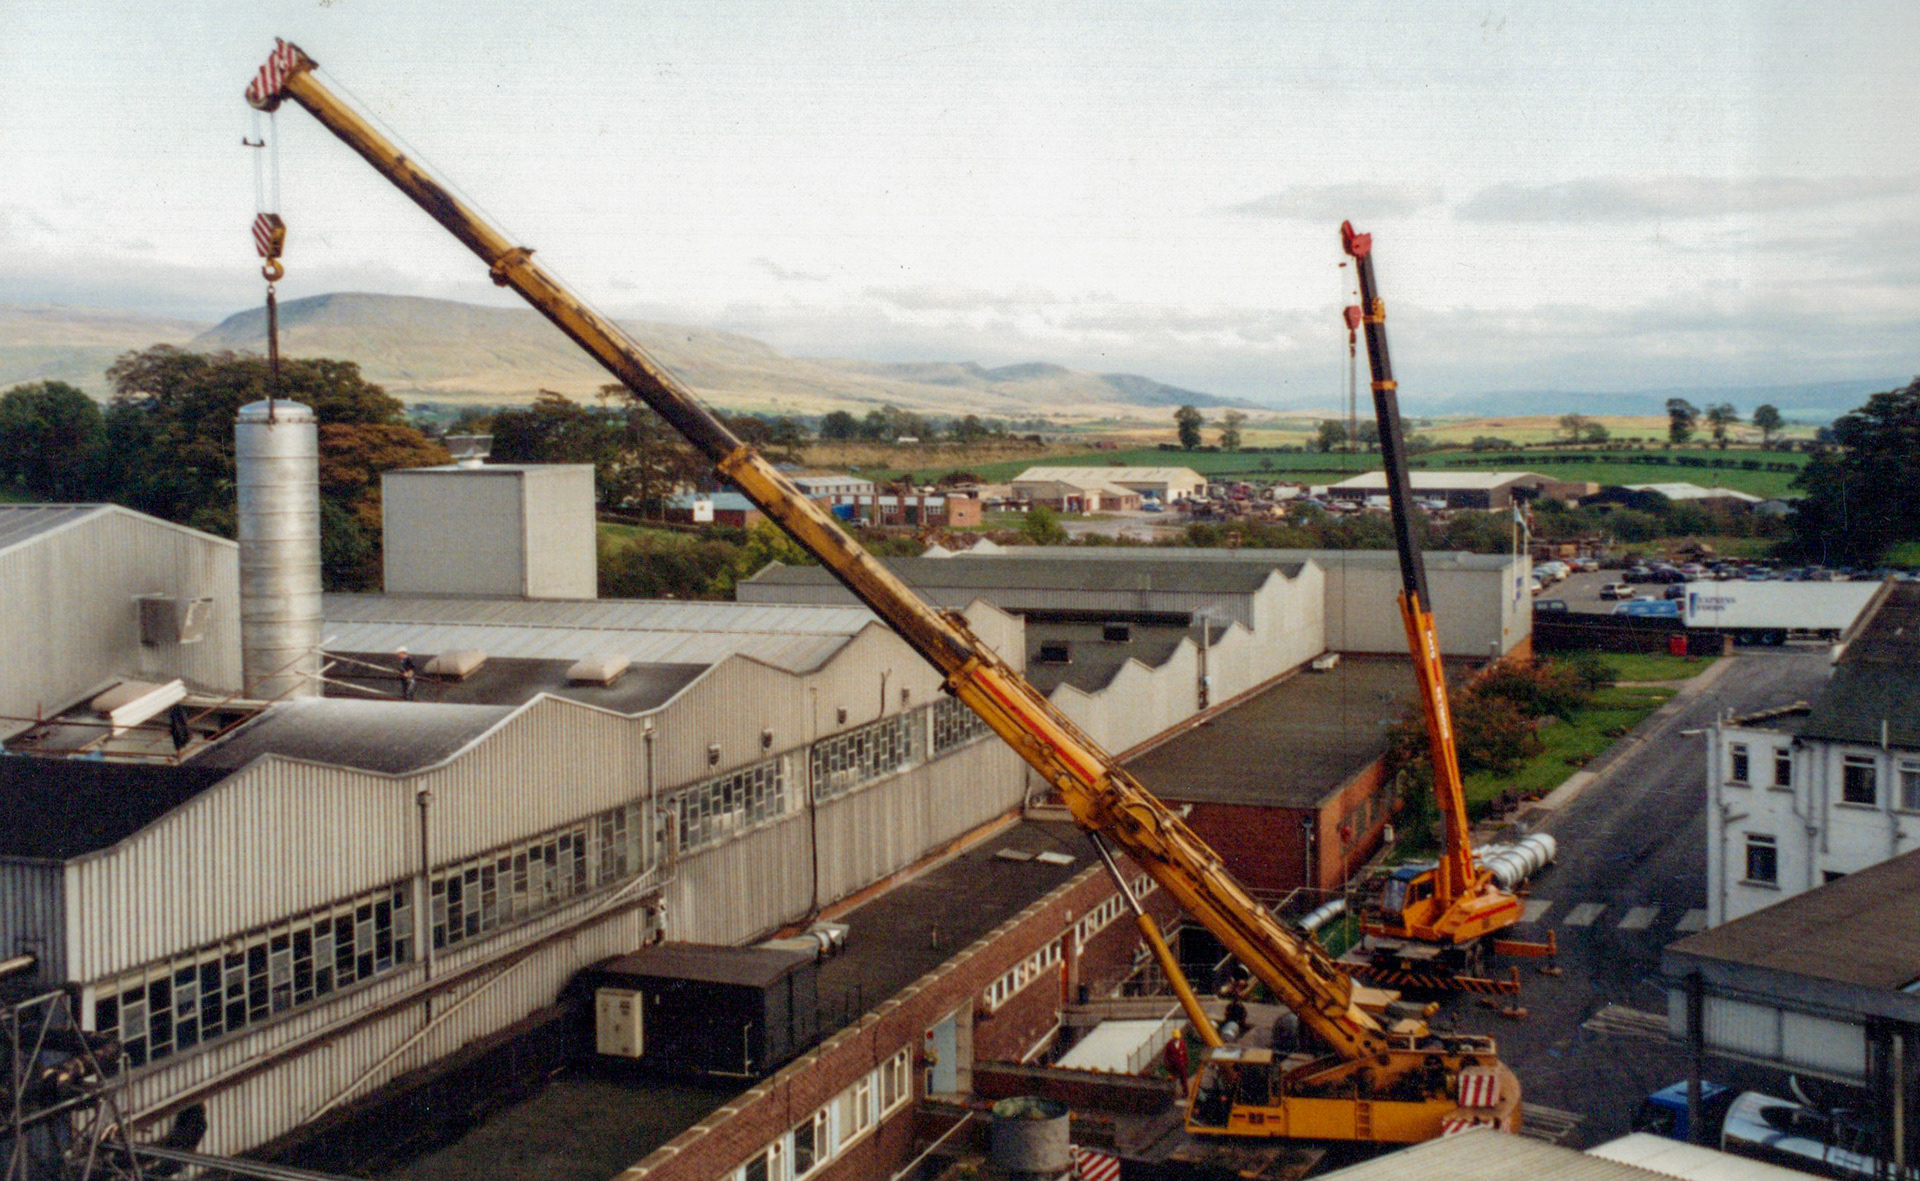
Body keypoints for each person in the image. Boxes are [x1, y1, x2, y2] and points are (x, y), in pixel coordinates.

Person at [1164, 1033, 1191, 1098]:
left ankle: (1186, 1093)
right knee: (1172, 1079)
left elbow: (1185, 1053)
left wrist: (1186, 1062)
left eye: (1177, 1037)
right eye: (1175, 1038)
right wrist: (1167, 1063)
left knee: (1183, 1079)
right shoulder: (1169, 1044)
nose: (1176, 1039)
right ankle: (1171, 1092)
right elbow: (1166, 1055)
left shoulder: (1182, 1043)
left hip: (1181, 1064)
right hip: (1173, 1065)